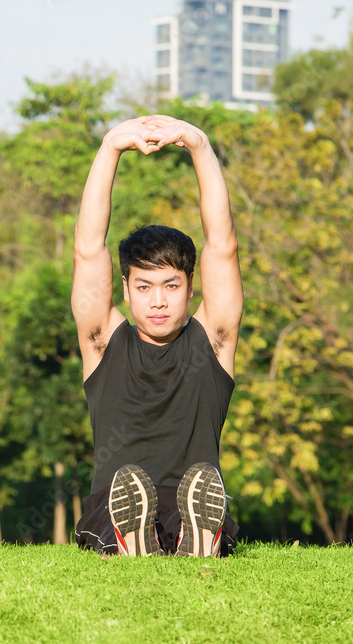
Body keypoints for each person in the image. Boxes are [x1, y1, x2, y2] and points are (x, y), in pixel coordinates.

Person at [71, 115, 243, 557]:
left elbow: (222, 245)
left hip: (193, 504)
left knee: (196, 505)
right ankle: (135, 537)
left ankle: (194, 535)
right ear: (125, 290)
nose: (158, 301)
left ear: (191, 287)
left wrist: (199, 146)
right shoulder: (103, 342)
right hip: (115, 508)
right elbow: (89, 249)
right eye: (144, 287)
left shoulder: (214, 341)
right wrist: (109, 148)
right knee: (118, 510)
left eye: (171, 285)